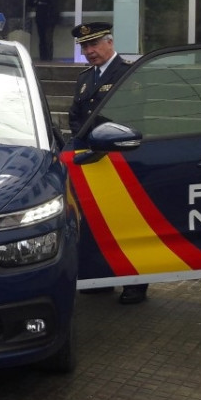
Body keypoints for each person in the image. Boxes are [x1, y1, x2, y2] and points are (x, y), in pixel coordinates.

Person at [68, 21, 147, 305]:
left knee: (125, 224)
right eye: (85, 47)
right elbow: (75, 118)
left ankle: (134, 283)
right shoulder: (86, 78)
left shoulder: (128, 74)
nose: (89, 51)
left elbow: (130, 117)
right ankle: (102, 278)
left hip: (119, 160)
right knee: (95, 222)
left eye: (94, 44)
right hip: (91, 161)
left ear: (110, 43)